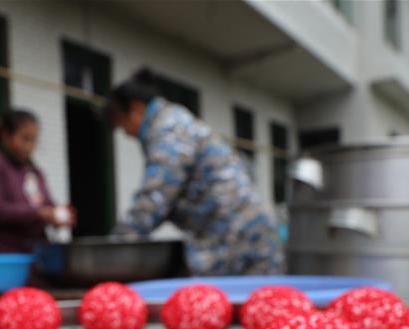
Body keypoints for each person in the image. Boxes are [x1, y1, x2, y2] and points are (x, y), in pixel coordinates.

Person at [106, 68, 283, 276]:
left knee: (247, 302)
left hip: (237, 239)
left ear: (135, 108)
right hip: (240, 235)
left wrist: (114, 248)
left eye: (122, 124)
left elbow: (156, 197)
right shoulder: (171, 120)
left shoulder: (168, 128)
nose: (126, 133)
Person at [0, 109, 74, 254]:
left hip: (34, 254)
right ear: (6, 136)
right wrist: (38, 214)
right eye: (25, 139)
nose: (29, 147)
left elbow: (46, 203)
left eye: (34, 140)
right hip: (2, 255)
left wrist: (57, 215)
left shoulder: (33, 170)